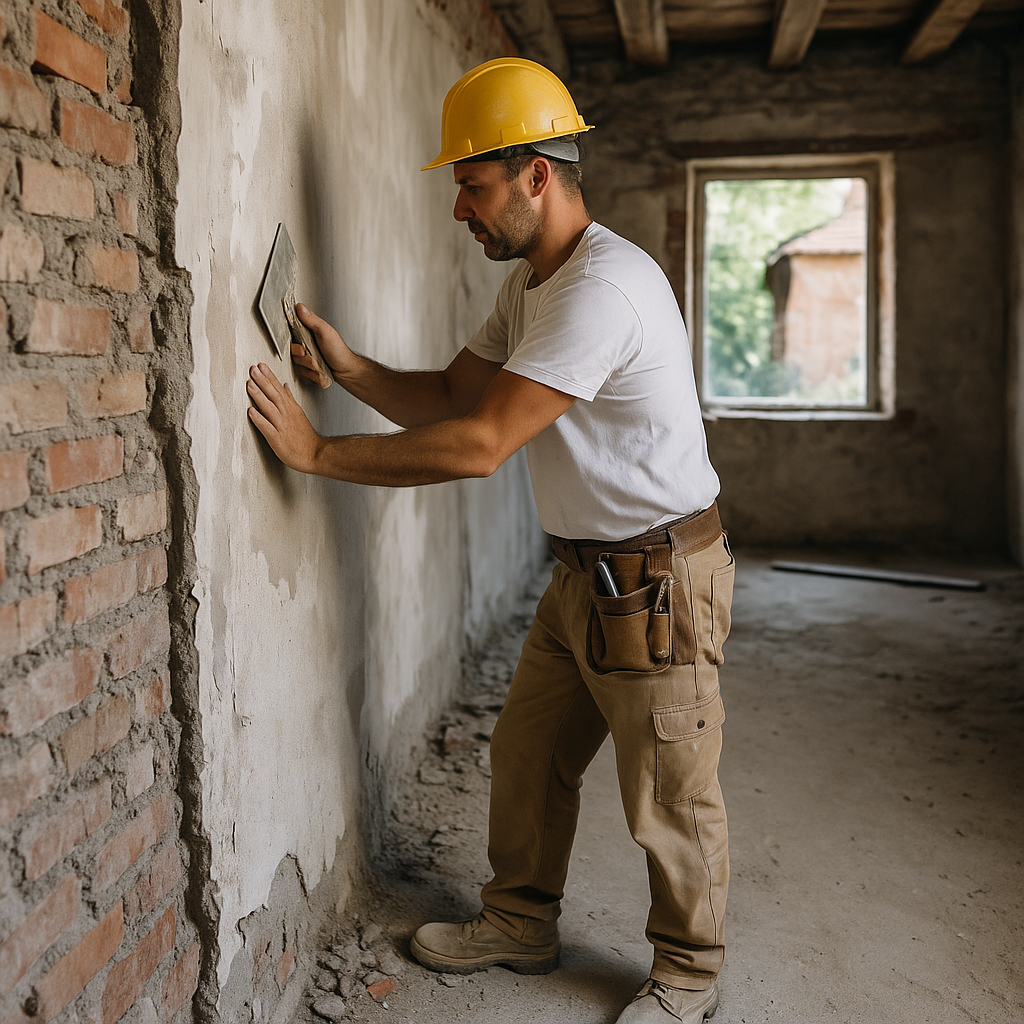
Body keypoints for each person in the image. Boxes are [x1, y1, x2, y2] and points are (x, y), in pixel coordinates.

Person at [246, 57, 734, 1024]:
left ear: (537, 176)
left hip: (658, 579)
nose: (459, 209)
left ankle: (688, 972)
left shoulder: (603, 288)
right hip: (584, 574)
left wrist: (317, 453)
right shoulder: (538, 285)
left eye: (471, 185)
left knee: (669, 792)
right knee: (526, 757)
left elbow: (477, 446)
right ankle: (520, 921)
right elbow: (454, 397)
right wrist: (345, 368)